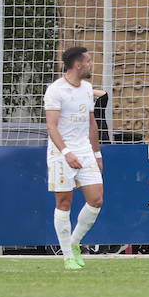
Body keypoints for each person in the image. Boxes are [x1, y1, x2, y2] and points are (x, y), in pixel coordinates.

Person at [44, 46, 103, 270]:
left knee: (96, 199)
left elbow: (91, 123)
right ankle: (68, 256)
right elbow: (52, 126)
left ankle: (74, 243)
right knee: (64, 202)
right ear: (77, 65)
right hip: (61, 153)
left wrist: (96, 153)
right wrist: (66, 153)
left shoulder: (87, 88)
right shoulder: (55, 91)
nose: (91, 64)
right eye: (88, 61)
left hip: (85, 151)